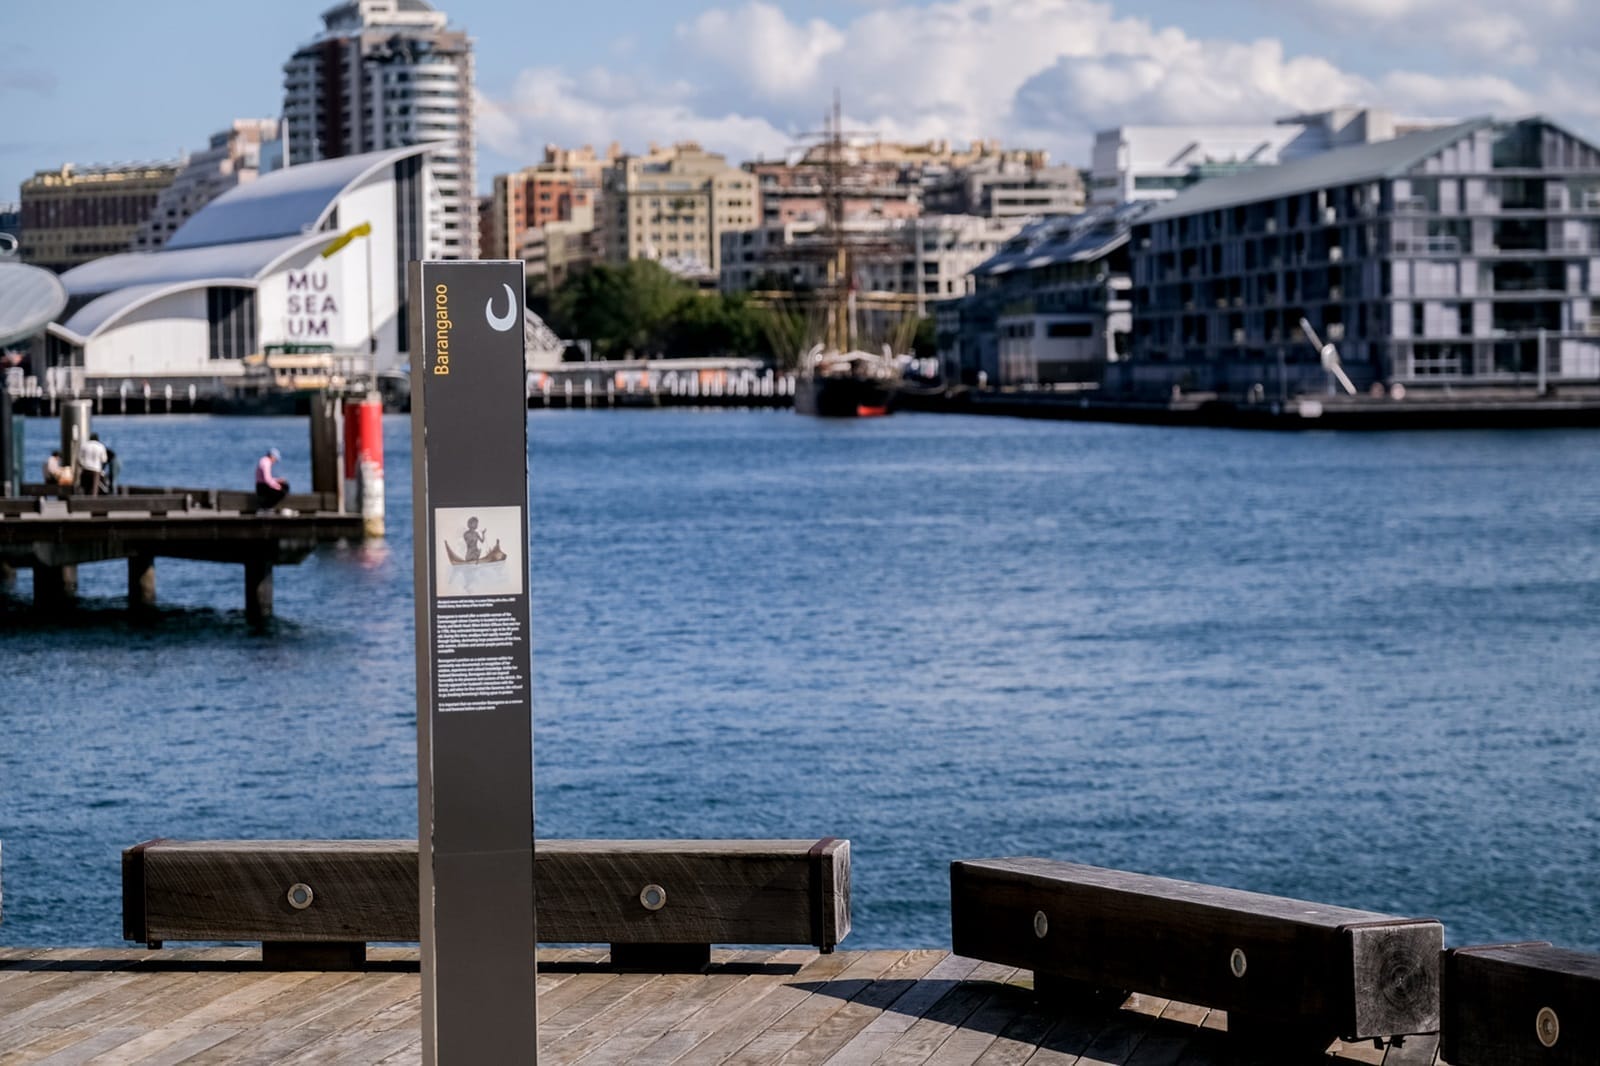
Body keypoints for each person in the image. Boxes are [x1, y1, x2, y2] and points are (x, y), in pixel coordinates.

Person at [255, 446, 294, 514]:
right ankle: (265, 507)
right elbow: (267, 480)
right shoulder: (266, 463)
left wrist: (277, 480)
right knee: (282, 490)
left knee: (283, 486)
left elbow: (267, 478)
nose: (275, 461)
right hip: (262, 487)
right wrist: (277, 486)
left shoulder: (264, 460)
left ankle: (266, 508)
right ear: (272, 456)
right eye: (275, 459)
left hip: (261, 485)